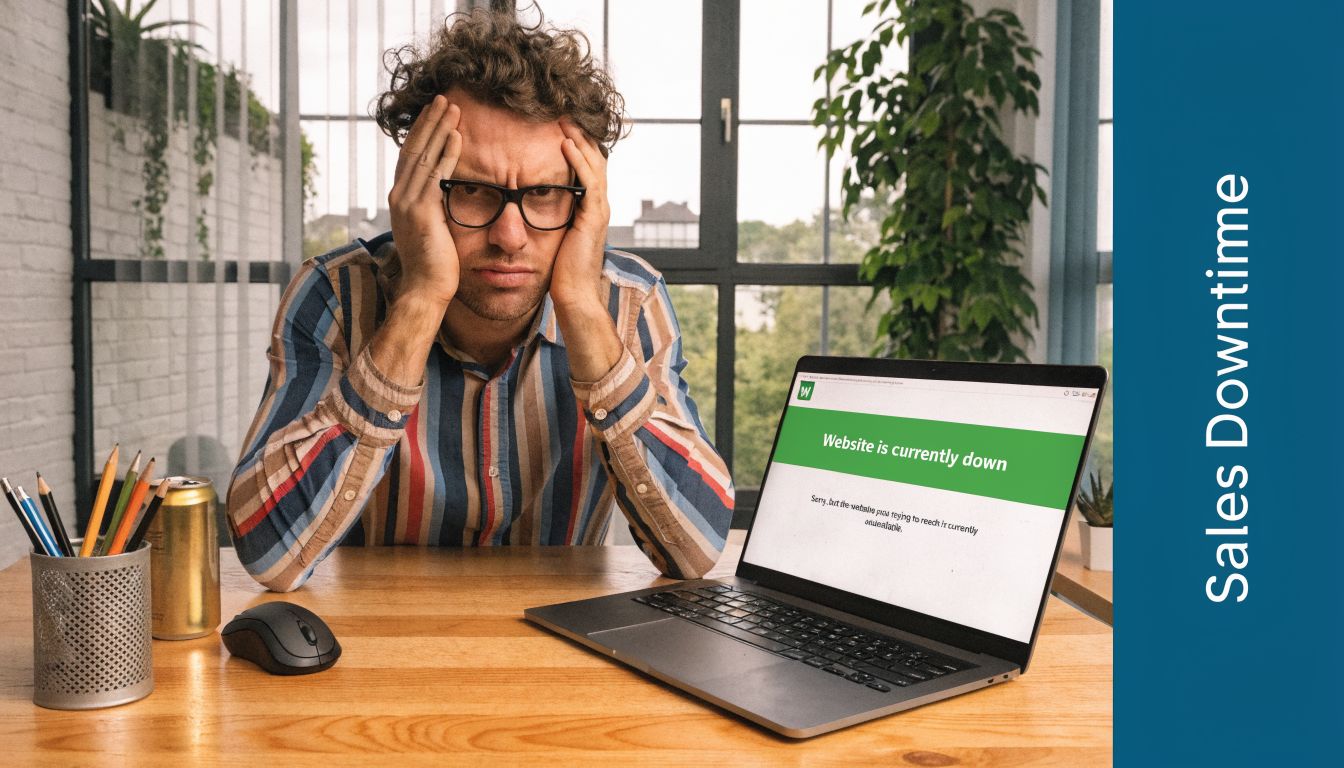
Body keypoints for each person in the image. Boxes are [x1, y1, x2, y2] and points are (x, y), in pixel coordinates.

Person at [226, 9, 733, 592]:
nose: (509, 237)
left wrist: (581, 308)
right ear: (417, 189)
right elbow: (269, 554)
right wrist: (420, 299)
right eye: (470, 190)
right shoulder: (335, 296)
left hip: (570, 658)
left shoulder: (629, 302)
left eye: (543, 193)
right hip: (372, 654)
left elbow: (695, 552)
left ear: (584, 200)